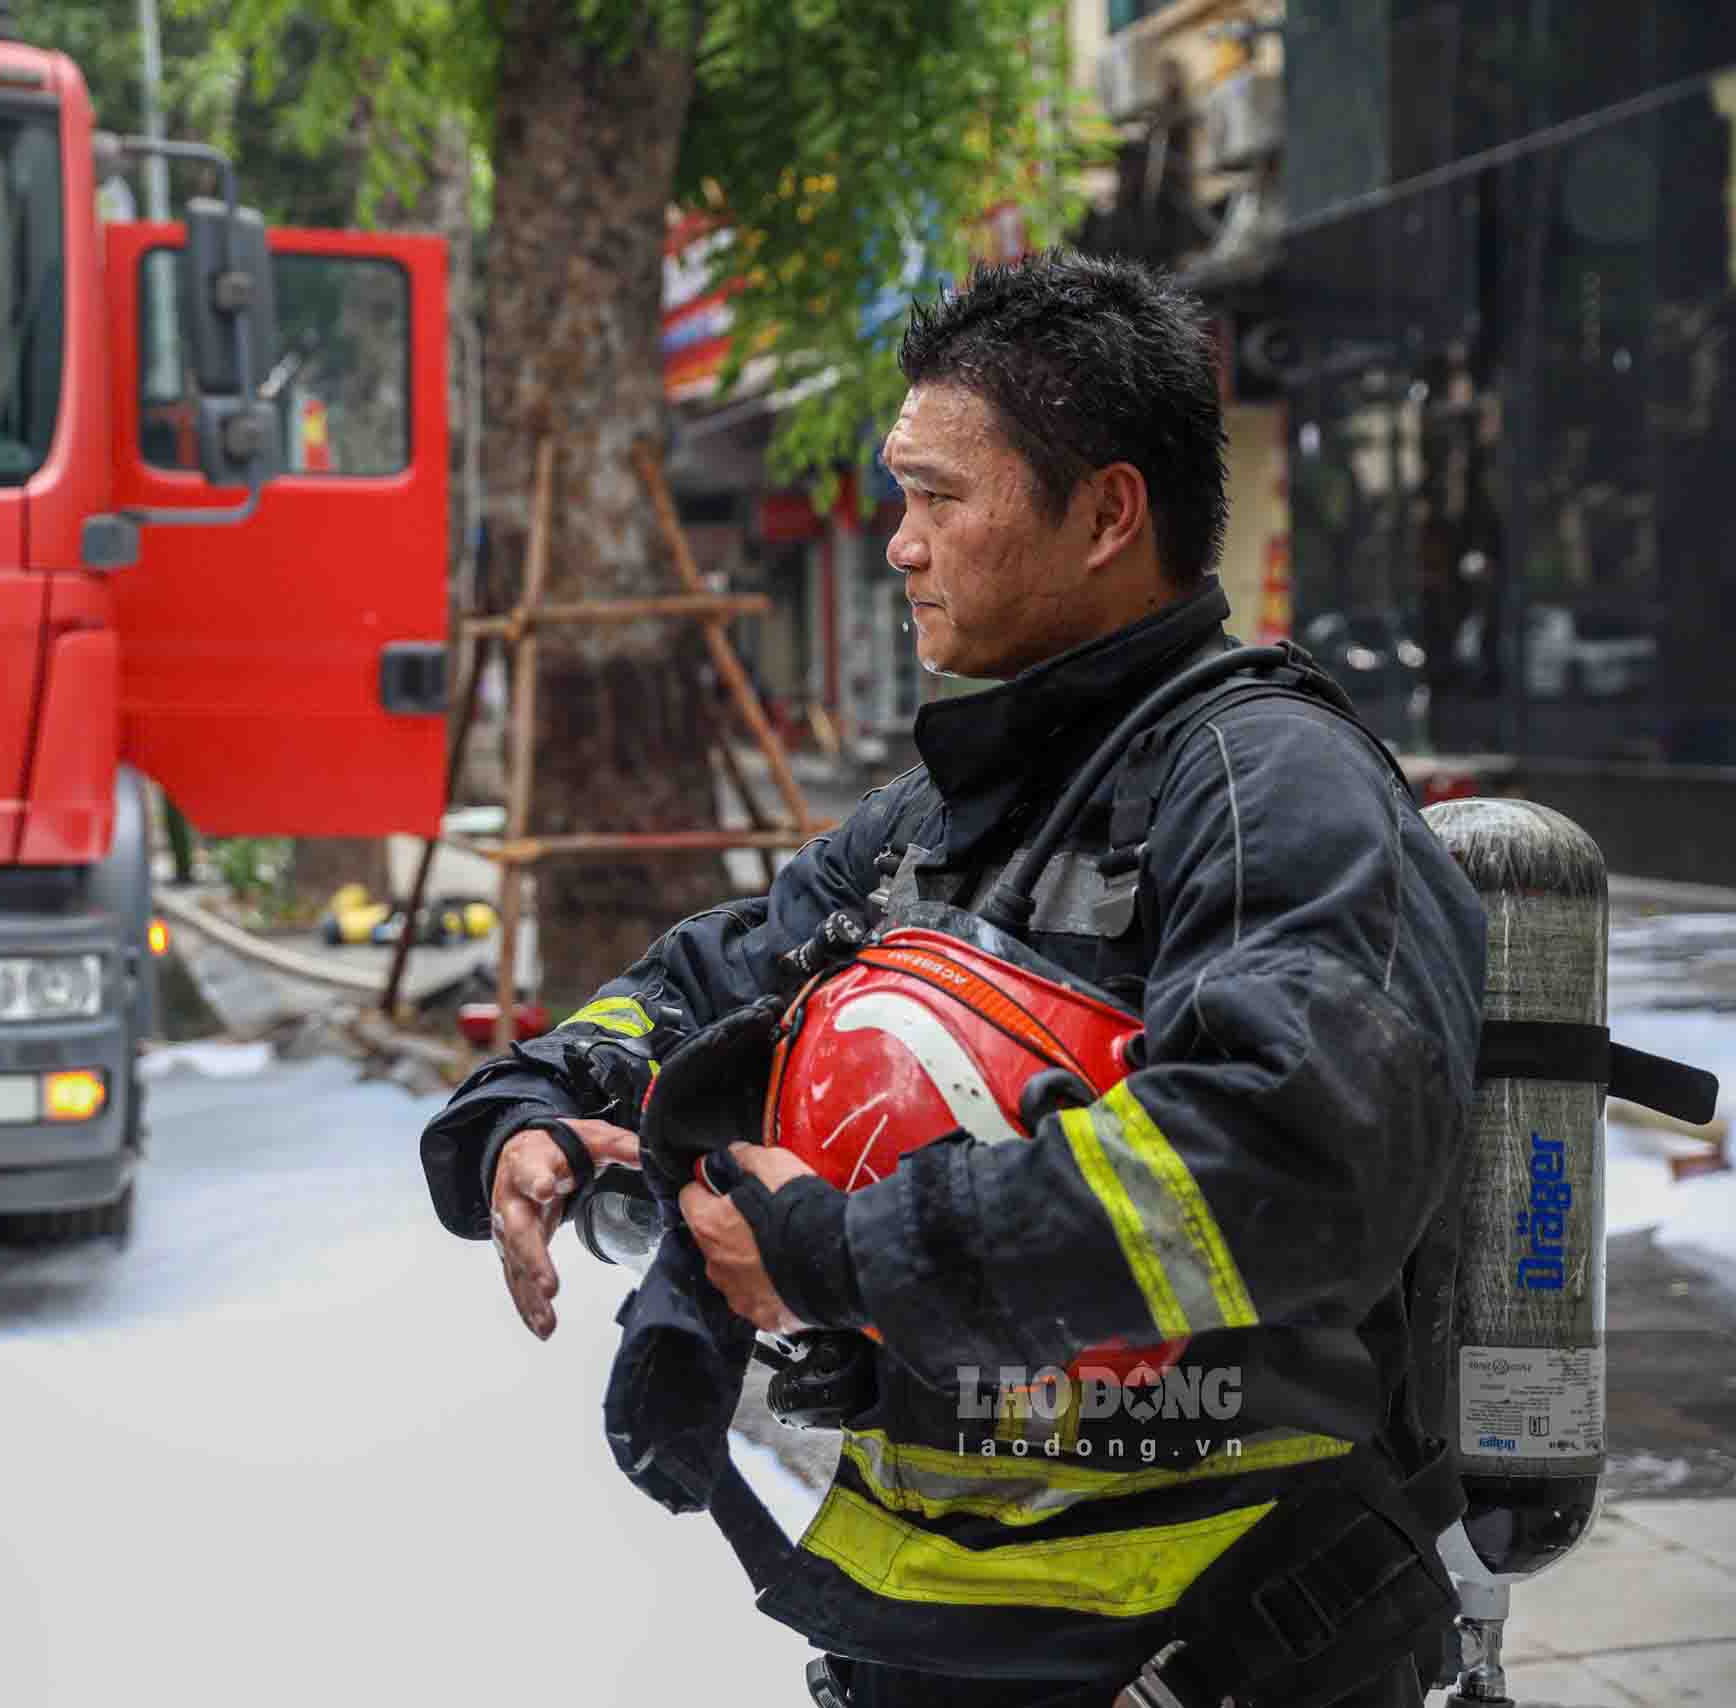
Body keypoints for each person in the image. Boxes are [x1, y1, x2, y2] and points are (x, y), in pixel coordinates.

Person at [419, 252, 1485, 1708]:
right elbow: (717, 979)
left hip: (1220, 1648)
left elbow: (1291, 1160)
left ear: (1108, 513)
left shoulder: (1270, 789)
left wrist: (843, 1255)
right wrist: (538, 1100)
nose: (900, 547)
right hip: (945, 1645)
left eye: (941, 498)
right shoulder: (960, 814)